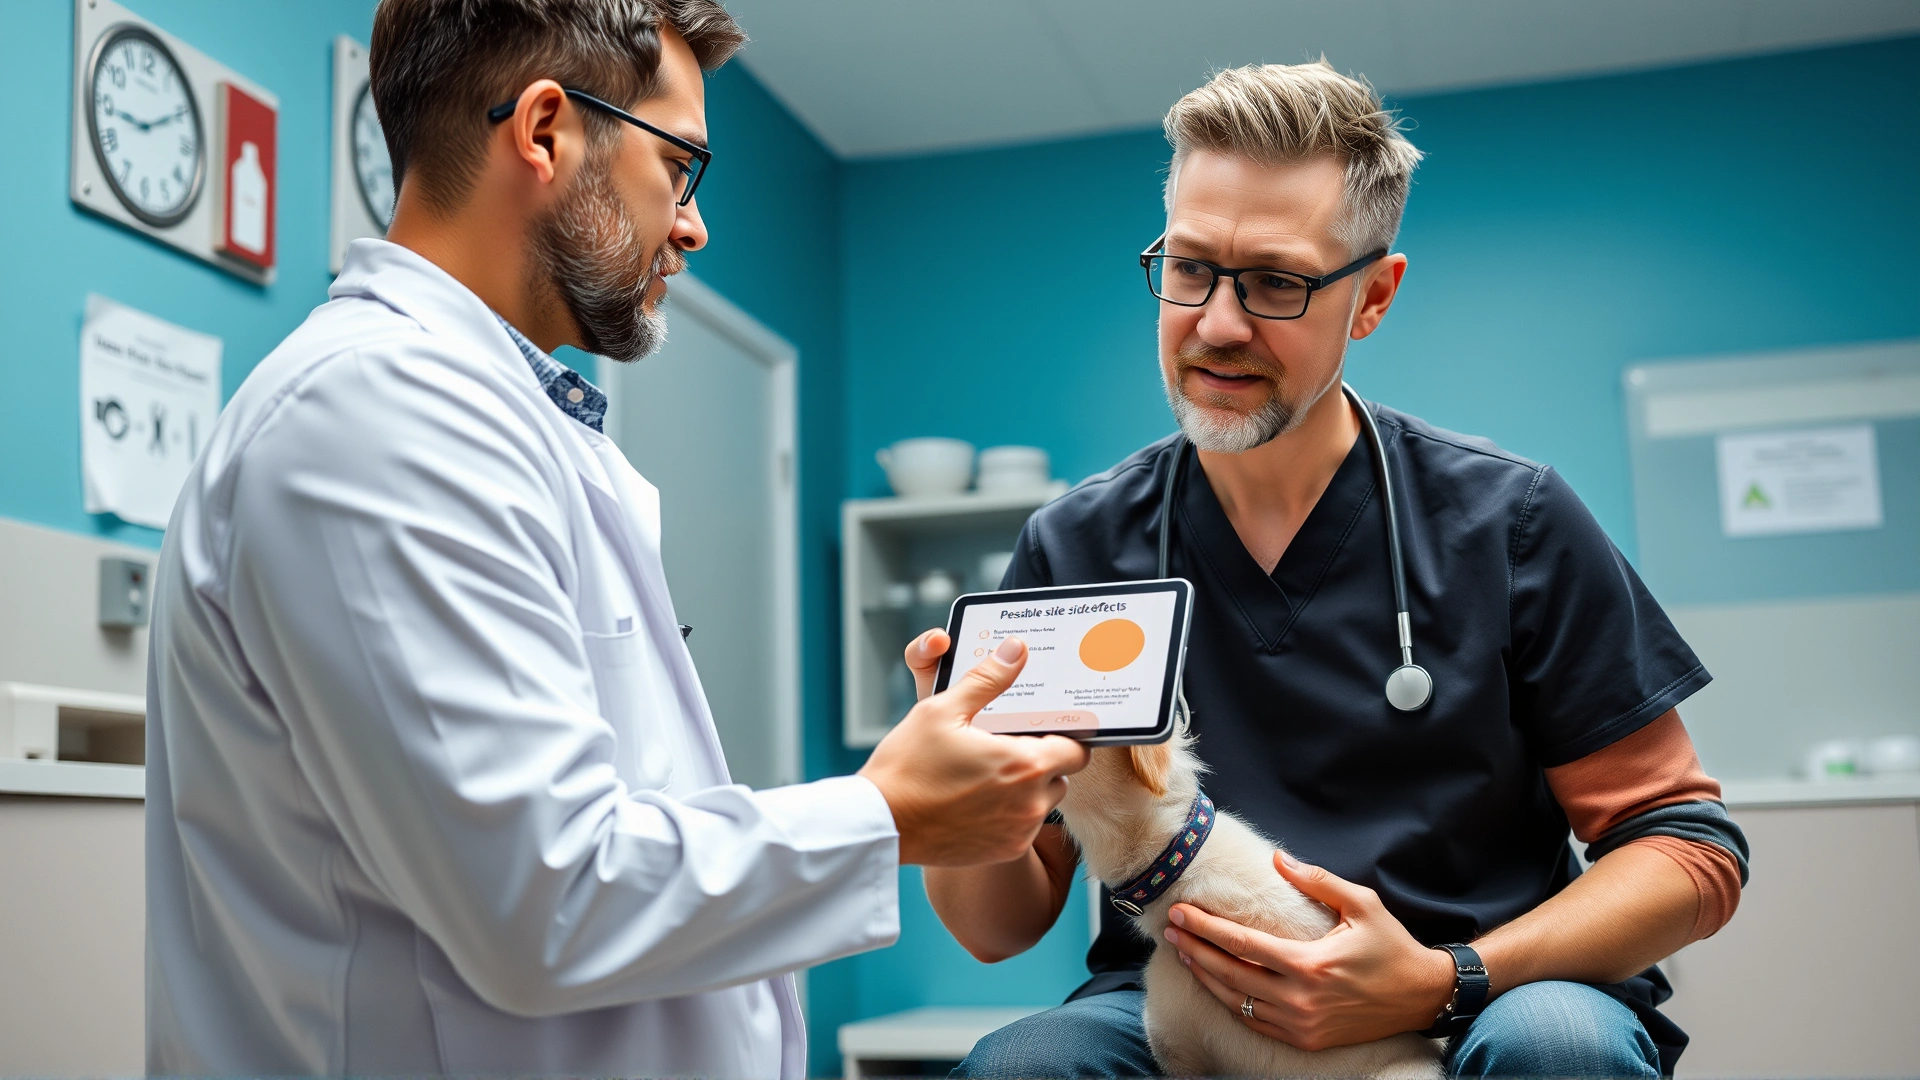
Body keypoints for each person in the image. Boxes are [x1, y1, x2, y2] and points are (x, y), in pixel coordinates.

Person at [143, 2, 1087, 1075]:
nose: (693, 226)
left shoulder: (502, 422)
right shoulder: (373, 414)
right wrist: (886, 814)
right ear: (545, 131)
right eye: (679, 166)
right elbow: (540, 899)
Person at [917, 61, 1748, 1079]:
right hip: (1180, 993)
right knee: (1025, 1068)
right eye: (1189, 269)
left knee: (1561, 1048)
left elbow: (1688, 850)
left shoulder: (1511, 519)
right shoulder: (1078, 548)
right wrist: (954, 779)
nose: (1218, 324)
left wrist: (1451, 977)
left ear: (1373, 299)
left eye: (1276, 281)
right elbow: (999, 927)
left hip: (1489, 993)